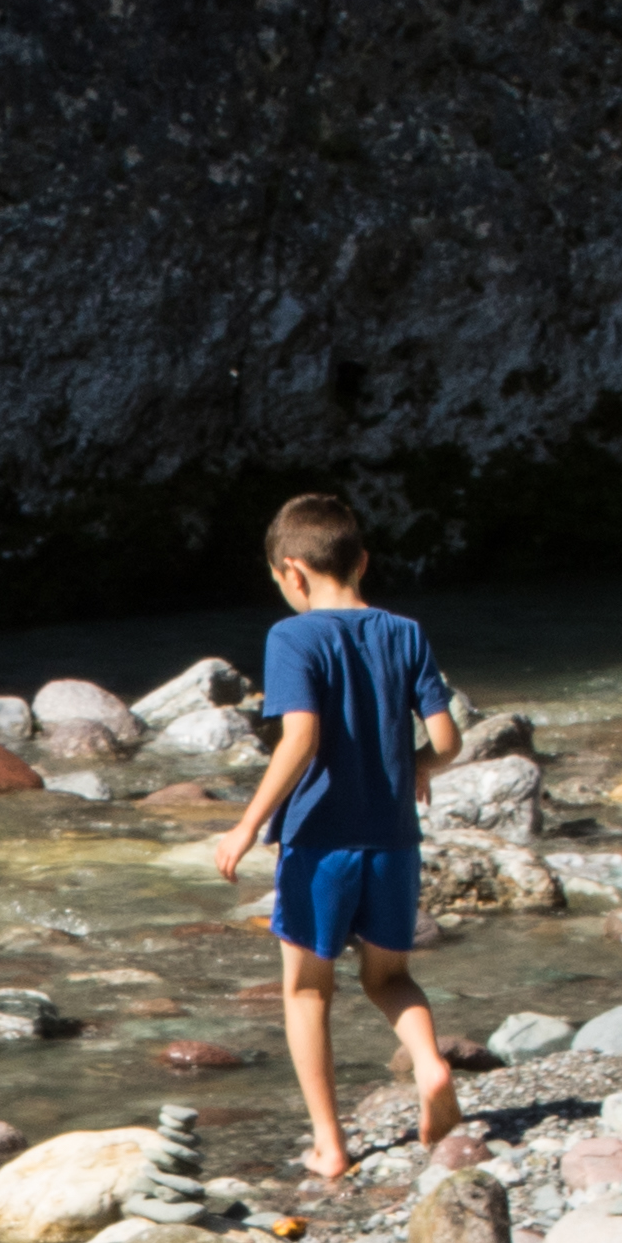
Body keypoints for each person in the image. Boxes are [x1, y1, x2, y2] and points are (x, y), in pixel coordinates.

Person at [205, 492, 465, 1184]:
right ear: (364, 561)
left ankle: (330, 1143)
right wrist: (418, 767)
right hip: (393, 842)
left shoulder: (292, 638)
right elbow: (448, 738)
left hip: (319, 842)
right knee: (391, 977)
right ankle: (432, 1065)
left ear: (292, 573)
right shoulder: (406, 632)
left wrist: (247, 822)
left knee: (307, 991)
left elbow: (301, 738)